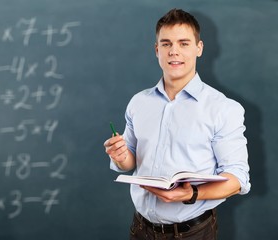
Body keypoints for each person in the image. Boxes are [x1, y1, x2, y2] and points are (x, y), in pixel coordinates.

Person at [104, 8, 250, 240]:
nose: (174, 52)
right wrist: (120, 156)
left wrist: (191, 193)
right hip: (140, 229)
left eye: (183, 43)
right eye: (166, 44)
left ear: (198, 48)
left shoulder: (223, 108)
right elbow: (130, 163)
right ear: (156, 50)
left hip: (193, 232)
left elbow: (237, 179)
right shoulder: (139, 102)